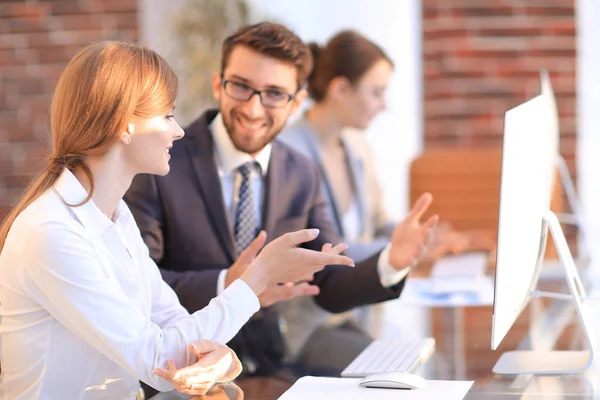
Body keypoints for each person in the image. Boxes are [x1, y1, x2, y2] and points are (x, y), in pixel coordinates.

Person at [0, 41, 354, 399]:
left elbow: (174, 323)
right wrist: (257, 277)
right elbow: (158, 359)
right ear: (124, 126)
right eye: (167, 115)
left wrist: (214, 355)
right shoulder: (52, 233)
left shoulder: (117, 217)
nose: (178, 130)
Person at [124, 22, 439, 379]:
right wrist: (229, 282)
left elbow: (329, 282)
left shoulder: (302, 173)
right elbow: (137, 286)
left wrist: (391, 262)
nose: (254, 109)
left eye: (274, 94)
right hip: (184, 365)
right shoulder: (160, 163)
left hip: (271, 363)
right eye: (241, 87)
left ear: (297, 102)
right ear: (218, 85)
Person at [277, 29, 495, 371]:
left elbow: (378, 224)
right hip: (307, 325)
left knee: (430, 362)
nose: (384, 104)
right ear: (340, 89)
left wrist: (424, 237)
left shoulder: (358, 148)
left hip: (357, 313)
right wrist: (397, 249)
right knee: (408, 370)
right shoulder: (288, 153)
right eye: (376, 92)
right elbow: (323, 252)